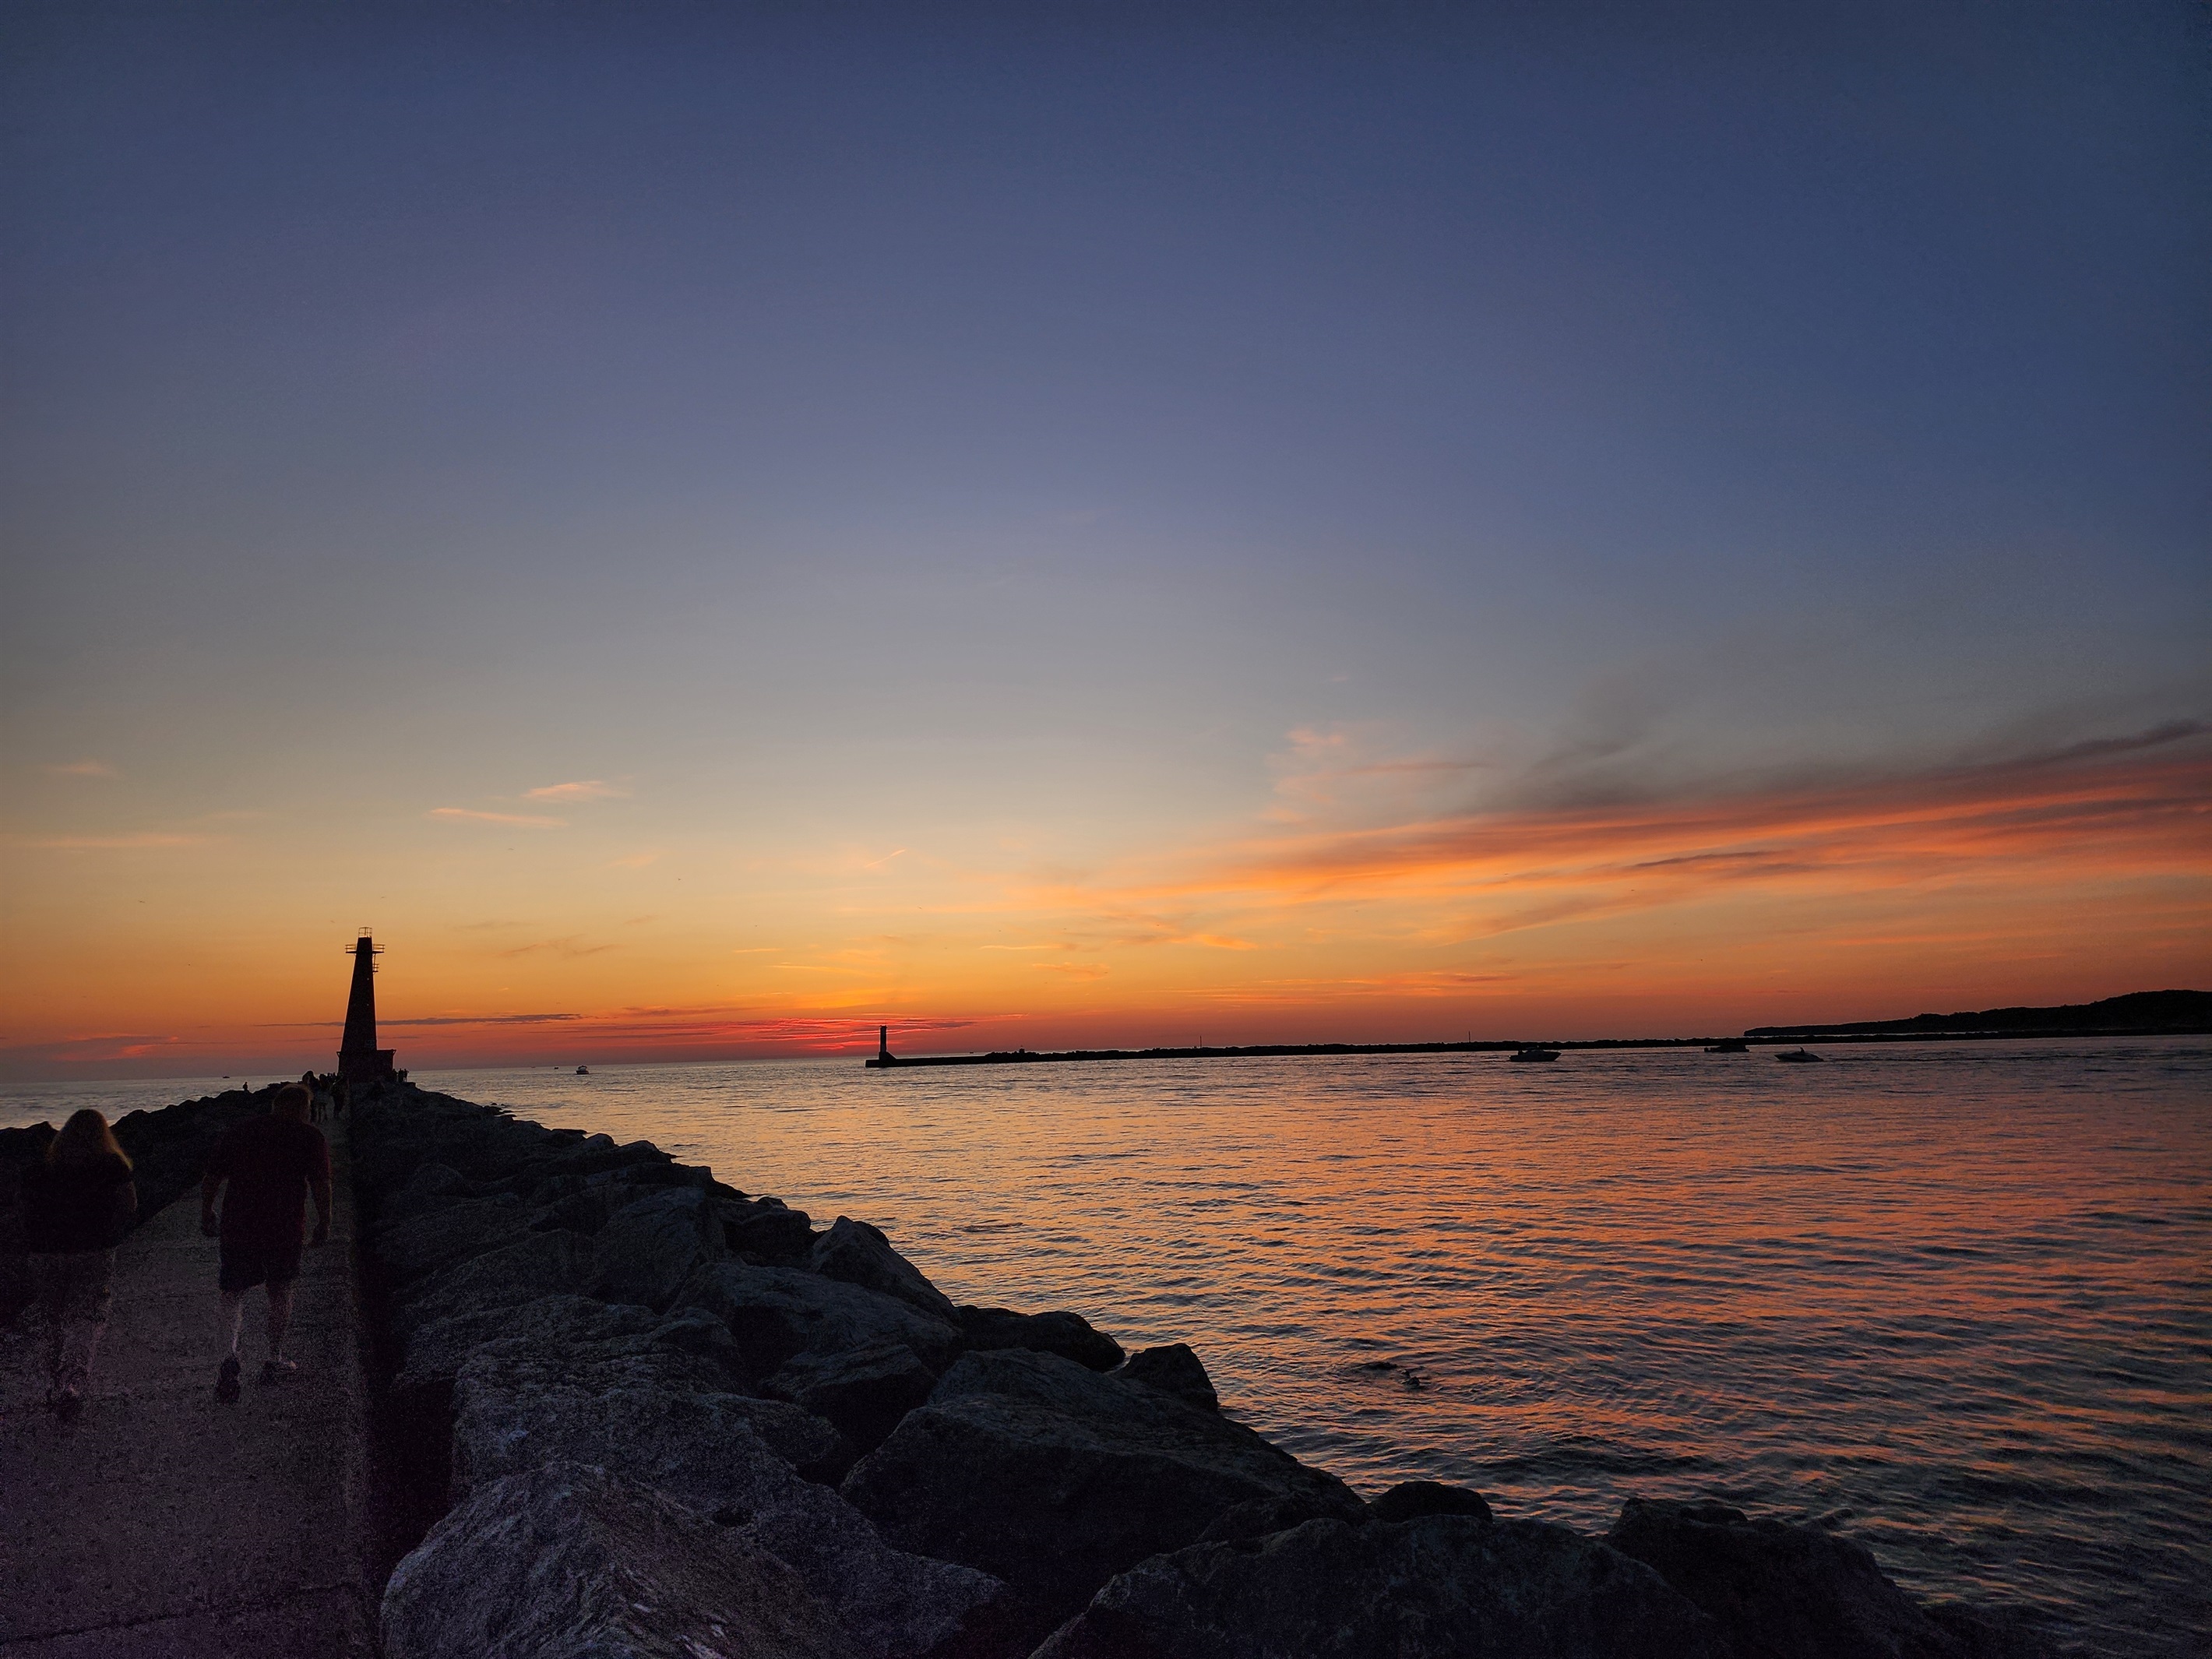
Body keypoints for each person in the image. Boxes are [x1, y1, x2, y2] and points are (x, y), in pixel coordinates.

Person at [201, 1081, 331, 1400]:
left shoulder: (242, 1130)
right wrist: (325, 1221)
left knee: (232, 1292)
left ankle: (228, 1357)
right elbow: (320, 1183)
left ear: (275, 1105)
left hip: (239, 1224)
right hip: (283, 1227)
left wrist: (206, 1211)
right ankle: (274, 1357)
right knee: (280, 1290)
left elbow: (212, 1176)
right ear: (304, 1108)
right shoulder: (309, 1137)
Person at [23, 1108, 138, 1421]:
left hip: (45, 1253)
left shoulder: (43, 1166)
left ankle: (53, 1383)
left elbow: (27, 1208)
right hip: (93, 1249)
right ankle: (72, 1384)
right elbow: (130, 1205)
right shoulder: (111, 1164)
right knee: (86, 1315)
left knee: (53, 1319)